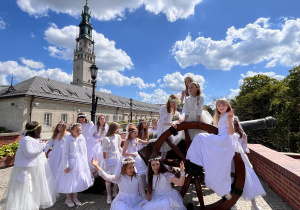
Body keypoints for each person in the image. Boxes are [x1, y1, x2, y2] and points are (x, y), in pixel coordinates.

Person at [186, 98, 235, 199]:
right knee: (216, 166)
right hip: (221, 139)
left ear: (227, 106)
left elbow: (231, 132)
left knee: (200, 137)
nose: (221, 107)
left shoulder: (229, 116)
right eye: (218, 106)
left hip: (224, 140)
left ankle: (196, 160)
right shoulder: (221, 116)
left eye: (223, 105)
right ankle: (224, 190)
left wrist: (230, 120)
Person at [4, 121, 58, 210]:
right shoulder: (26, 139)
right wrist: (43, 145)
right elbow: (29, 153)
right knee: (26, 188)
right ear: (36, 131)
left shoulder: (32, 139)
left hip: (33, 167)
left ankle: (33, 204)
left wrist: (40, 144)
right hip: (27, 168)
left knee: (34, 187)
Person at [55, 123, 93, 207]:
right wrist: (66, 165)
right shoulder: (68, 139)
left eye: (80, 130)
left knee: (77, 180)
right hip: (70, 162)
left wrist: (85, 162)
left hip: (80, 162)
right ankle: (68, 198)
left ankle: (75, 198)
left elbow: (84, 150)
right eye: (77, 130)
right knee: (68, 180)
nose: (79, 132)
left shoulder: (82, 138)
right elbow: (65, 154)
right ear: (72, 131)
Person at [231, 117, 266, 210]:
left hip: (240, 158)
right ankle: (233, 204)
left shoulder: (241, 133)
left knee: (249, 181)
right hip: (230, 159)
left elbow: (244, 146)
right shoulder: (228, 132)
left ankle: (254, 205)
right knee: (232, 182)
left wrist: (243, 150)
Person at [157, 94, 183, 159]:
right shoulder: (164, 108)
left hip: (169, 127)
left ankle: (165, 159)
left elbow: (177, 114)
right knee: (164, 145)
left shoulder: (173, 109)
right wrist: (171, 124)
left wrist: (179, 118)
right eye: (173, 103)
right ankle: (162, 160)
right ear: (169, 101)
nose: (174, 105)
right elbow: (161, 121)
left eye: (175, 104)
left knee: (169, 143)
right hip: (163, 128)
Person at [101, 122, 122, 204]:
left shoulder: (118, 136)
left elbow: (118, 147)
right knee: (108, 178)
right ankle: (108, 195)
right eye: (118, 128)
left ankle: (115, 192)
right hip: (109, 159)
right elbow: (104, 152)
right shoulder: (106, 139)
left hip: (117, 158)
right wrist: (106, 162)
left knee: (116, 176)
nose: (119, 130)